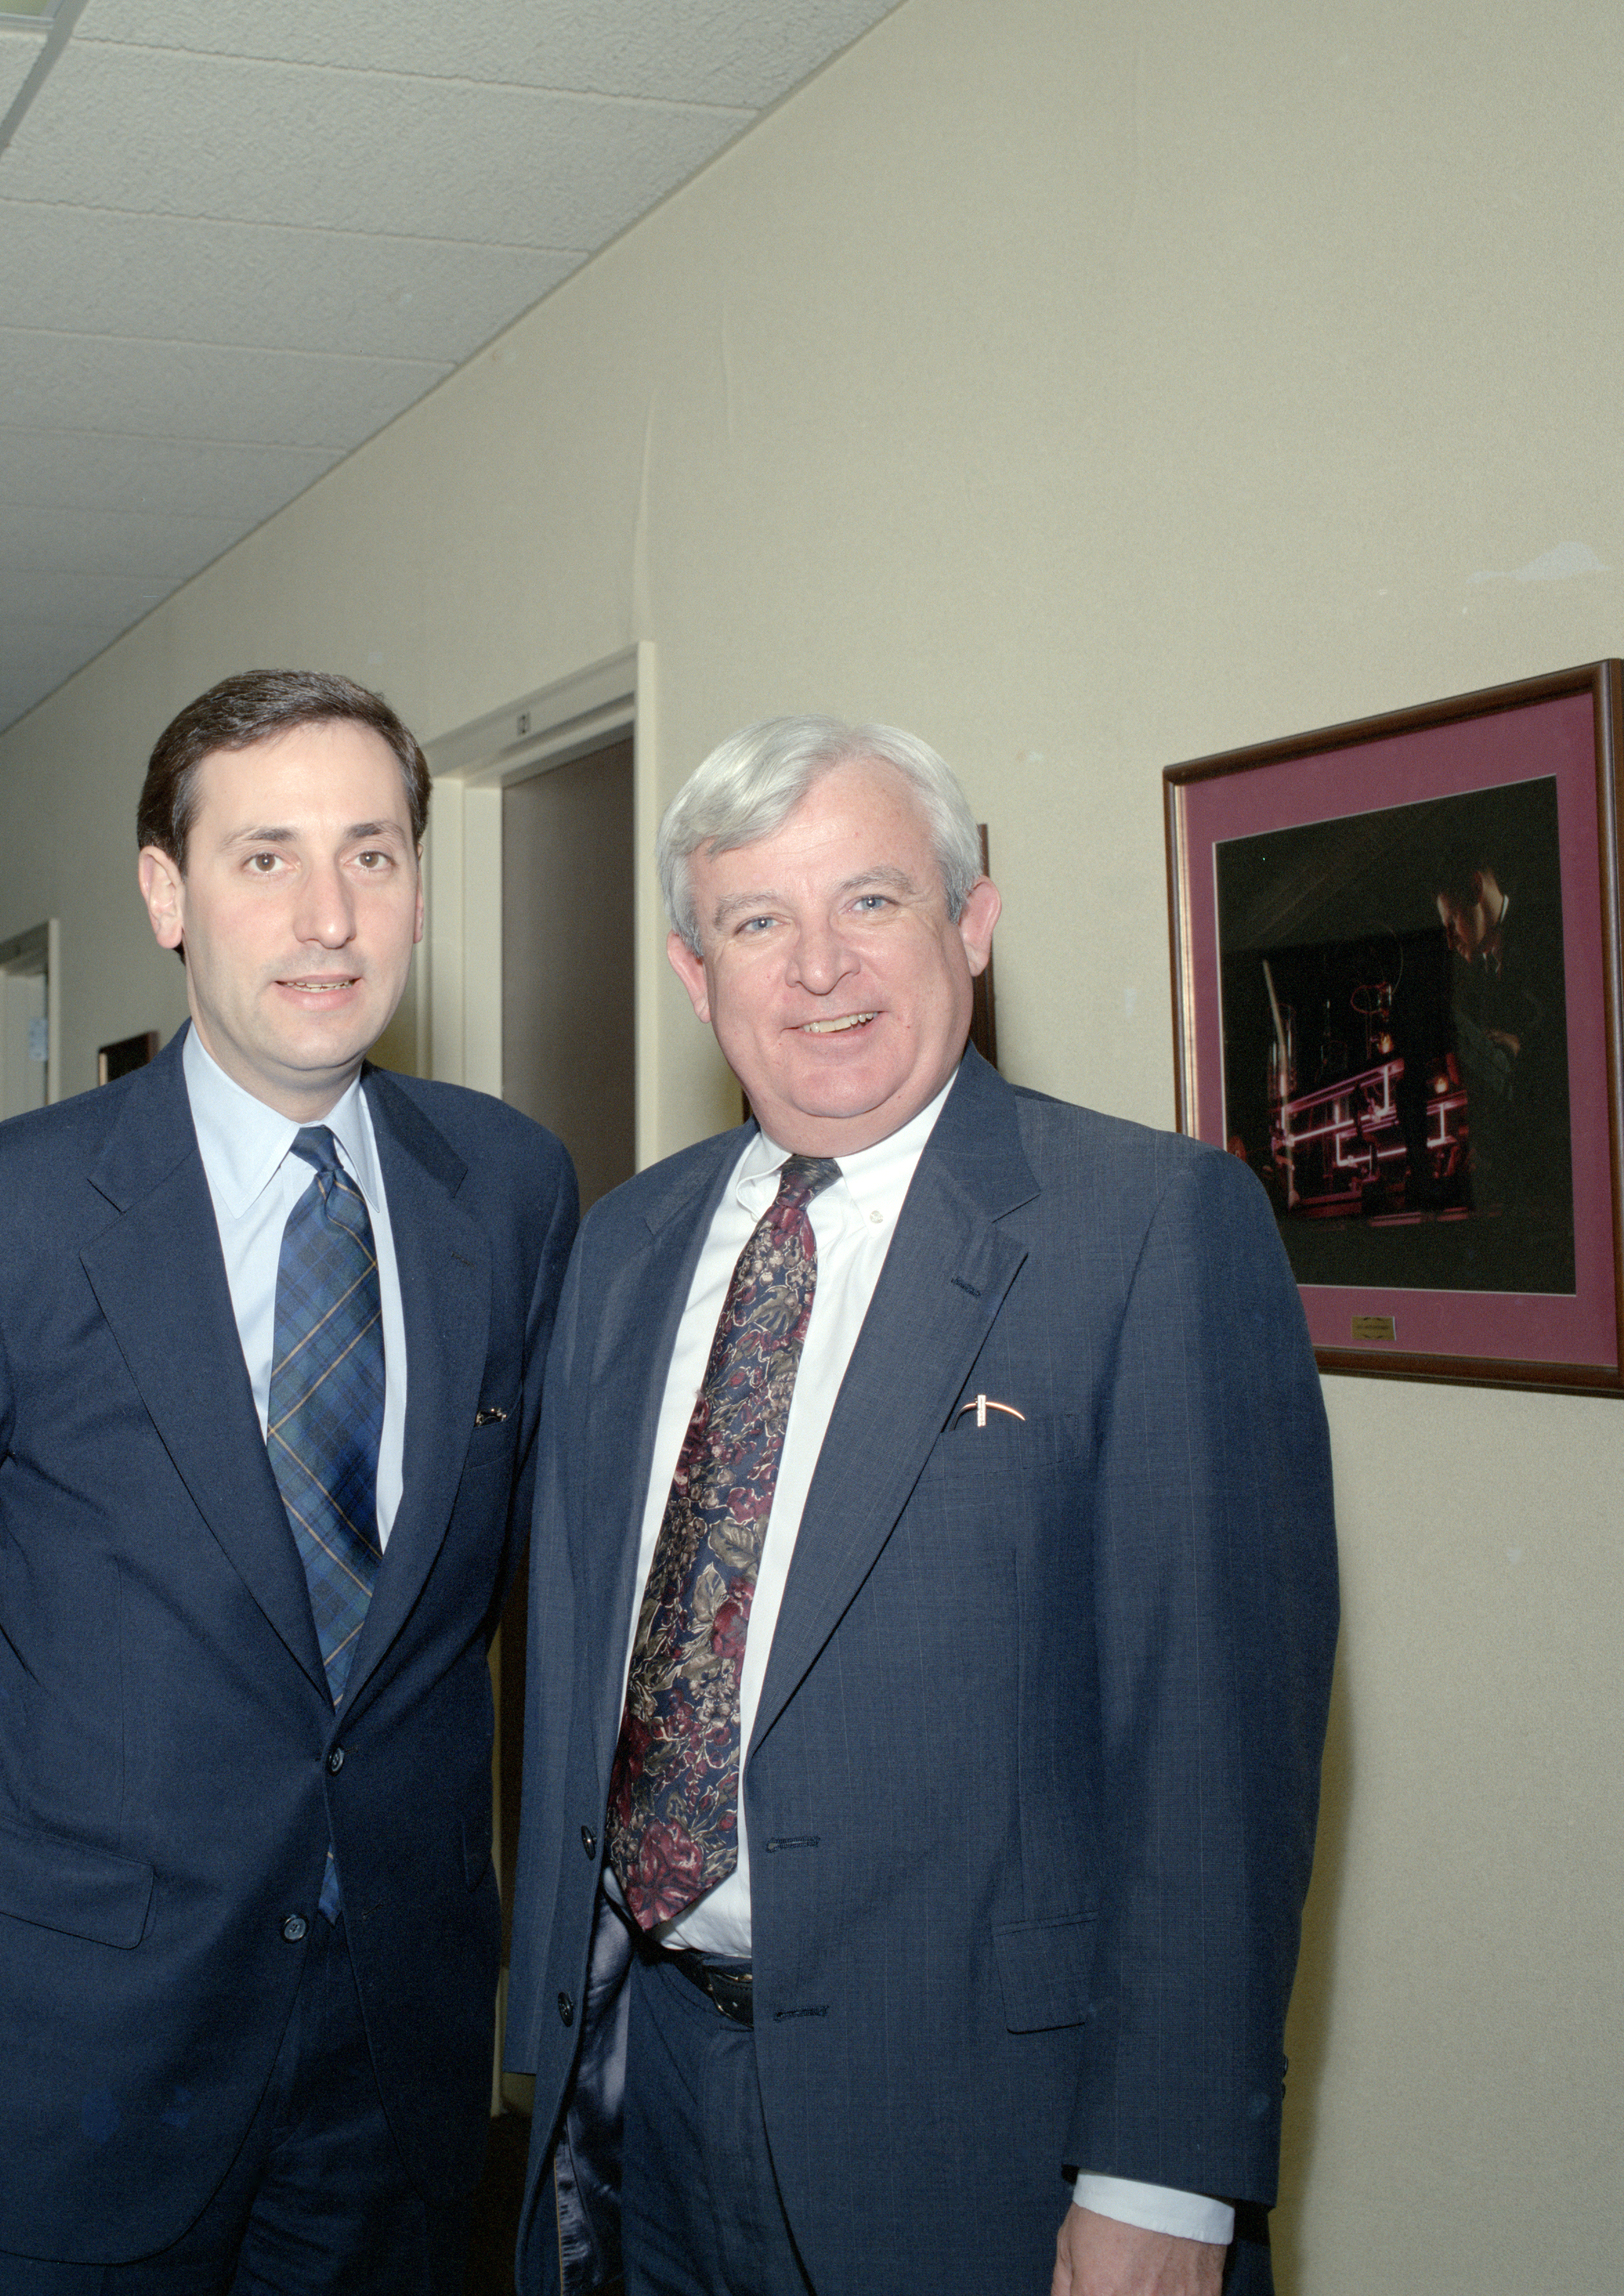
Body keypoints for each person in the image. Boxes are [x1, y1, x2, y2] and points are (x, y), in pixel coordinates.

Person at [504, 716, 1338, 2296]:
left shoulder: (1151, 1229)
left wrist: (1167, 2172)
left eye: (872, 902)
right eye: (760, 920)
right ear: (698, 974)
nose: (819, 969)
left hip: (982, 2142)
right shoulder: (625, 1247)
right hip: (640, 2084)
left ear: (972, 921)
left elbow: (1215, 1748)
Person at [0, 669, 579, 2293]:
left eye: (372, 854)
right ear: (166, 891)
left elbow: (484, 1598)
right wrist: (63, 1893)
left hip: (396, 2053)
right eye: (264, 855)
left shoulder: (506, 1189)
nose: (326, 915)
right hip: (70, 2056)